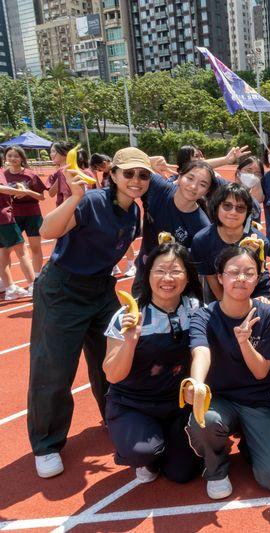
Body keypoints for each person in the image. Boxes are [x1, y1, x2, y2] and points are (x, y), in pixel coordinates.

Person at [28, 147, 151, 479]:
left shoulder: (133, 212)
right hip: (63, 289)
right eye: (128, 173)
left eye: (143, 175)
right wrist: (74, 197)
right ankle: (46, 444)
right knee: (54, 367)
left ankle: (115, 416)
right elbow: (47, 231)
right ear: (113, 174)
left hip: (100, 289)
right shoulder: (92, 201)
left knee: (111, 358)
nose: (136, 180)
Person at [186, 246, 270, 499]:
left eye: (249, 273)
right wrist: (197, 383)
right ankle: (216, 469)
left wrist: (244, 342)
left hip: (259, 400)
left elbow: (260, 372)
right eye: (233, 272)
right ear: (220, 277)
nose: (241, 278)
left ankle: (250, 439)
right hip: (221, 399)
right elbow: (201, 351)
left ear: (257, 279)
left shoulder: (268, 315)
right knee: (205, 419)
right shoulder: (203, 316)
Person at [102, 242, 203, 484]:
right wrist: (130, 341)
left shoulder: (196, 310)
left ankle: (166, 442)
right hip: (133, 403)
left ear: (188, 277)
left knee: (182, 474)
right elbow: (112, 375)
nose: (167, 278)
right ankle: (146, 451)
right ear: (147, 275)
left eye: (175, 271)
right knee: (142, 451)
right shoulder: (128, 316)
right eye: (160, 271)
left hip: (178, 404)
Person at [133, 161, 215, 295]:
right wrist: (152, 162)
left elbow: (197, 265)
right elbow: (132, 163)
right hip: (143, 274)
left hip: (171, 286)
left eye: (203, 184)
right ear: (180, 176)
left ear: (207, 191)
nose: (193, 186)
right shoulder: (159, 188)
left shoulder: (202, 227)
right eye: (190, 178)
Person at [191, 182, 270, 302]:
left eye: (240, 208)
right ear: (217, 207)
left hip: (253, 294)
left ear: (247, 212)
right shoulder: (202, 240)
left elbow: (258, 276)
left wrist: (253, 303)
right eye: (227, 206)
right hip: (218, 295)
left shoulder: (259, 241)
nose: (233, 212)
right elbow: (211, 277)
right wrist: (227, 305)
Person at [1, 146, 47, 277]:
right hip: (12, 216)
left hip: (32, 214)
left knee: (35, 247)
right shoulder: (3, 175)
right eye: (9, 155)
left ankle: (36, 277)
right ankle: (6, 281)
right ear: (5, 158)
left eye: (16, 156)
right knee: (6, 249)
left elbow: (42, 197)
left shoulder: (30, 175)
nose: (12, 158)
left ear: (22, 158)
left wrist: (26, 192)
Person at [234, 156, 265, 225]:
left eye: (257, 173)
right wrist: (225, 160)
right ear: (238, 172)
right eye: (248, 170)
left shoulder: (255, 204)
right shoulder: (226, 192)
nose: (252, 176)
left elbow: (255, 226)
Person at [46, 141, 73, 206]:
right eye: (50, 152)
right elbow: (51, 194)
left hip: (70, 207)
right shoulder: (55, 174)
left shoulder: (75, 171)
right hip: (64, 207)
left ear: (65, 153)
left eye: (53, 151)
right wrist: (60, 177)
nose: (51, 154)